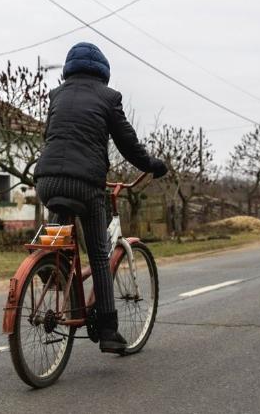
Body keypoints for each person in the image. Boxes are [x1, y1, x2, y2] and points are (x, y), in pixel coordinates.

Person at [34, 42, 168, 353]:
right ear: (103, 72)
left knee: (60, 222)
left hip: (47, 180)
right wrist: (152, 165)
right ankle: (108, 330)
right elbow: (127, 144)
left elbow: (50, 136)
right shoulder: (109, 98)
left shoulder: (56, 95)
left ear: (69, 70)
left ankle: (50, 265)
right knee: (98, 254)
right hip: (86, 185)